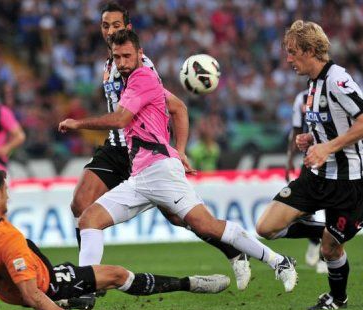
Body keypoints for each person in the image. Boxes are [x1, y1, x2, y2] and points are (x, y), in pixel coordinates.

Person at [58, 29, 297, 293]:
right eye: (117, 57)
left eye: (127, 56)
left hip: (160, 171)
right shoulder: (129, 82)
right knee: (89, 219)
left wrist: (77, 122)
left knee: (205, 225)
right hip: (140, 177)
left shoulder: (143, 77)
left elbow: (120, 119)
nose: (123, 62)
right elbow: (175, 108)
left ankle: (279, 261)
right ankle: (86, 289)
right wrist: (180, 150)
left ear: (140, 54)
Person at [0, 167, 231, 310]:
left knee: (15, 257)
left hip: (10, 283)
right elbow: (33, 295)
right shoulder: (8, 238)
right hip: (42, 285)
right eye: (5, 189)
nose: (8, 194)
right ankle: (190, 284)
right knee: (115, 275)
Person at [70, 1, 250, 292]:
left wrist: (178, 149)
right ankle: (90, 283)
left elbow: (176, 107)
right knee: (80, 203)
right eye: (105, 26)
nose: (110, 30)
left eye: (116, 25)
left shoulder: (142, 66)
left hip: (144, 151)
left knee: (181, 218)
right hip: (117, 148)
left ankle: (232, 249)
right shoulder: (110, 62)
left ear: (127, 28)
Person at [256, 20, 363, 310]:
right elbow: (330, 125)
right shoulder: (312, 83)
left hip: (347, 182)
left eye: (292, 52)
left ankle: (337, 299)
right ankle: (322, 230)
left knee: (330, 248)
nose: (288, 59)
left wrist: (327, 146)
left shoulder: (336, 79)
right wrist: (310, 138)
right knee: (265, 227)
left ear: (311, 50)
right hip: (315, 177)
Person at [285, 89, 328, 274]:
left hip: (335, 160)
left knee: (332, 208)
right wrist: (289, 158)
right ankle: (314, 239)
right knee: (304, 212)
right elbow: (296, 130)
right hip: (309, 160)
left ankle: (324, 257)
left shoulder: (335, 88)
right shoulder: (301, 98)